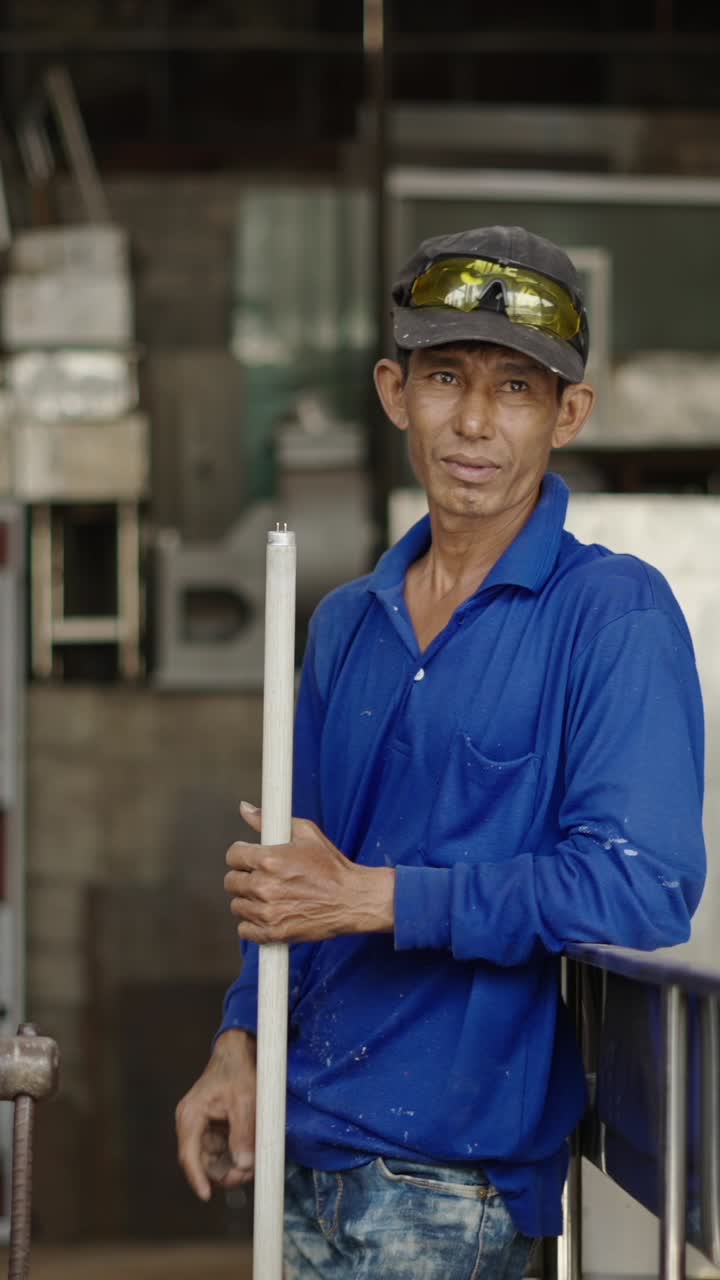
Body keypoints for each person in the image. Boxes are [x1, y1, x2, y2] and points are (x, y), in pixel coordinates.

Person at [176, 225, 706, 1278]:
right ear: (392, 390)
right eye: (446, 376)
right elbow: (296, 875)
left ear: (569, 414)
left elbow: (641, 887)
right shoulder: (346, 623)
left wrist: (376, 897)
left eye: (516, 387)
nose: (473, 419)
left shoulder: (609, 614)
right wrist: (238, 1043)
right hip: (301, 1151)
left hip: (449, 1188)